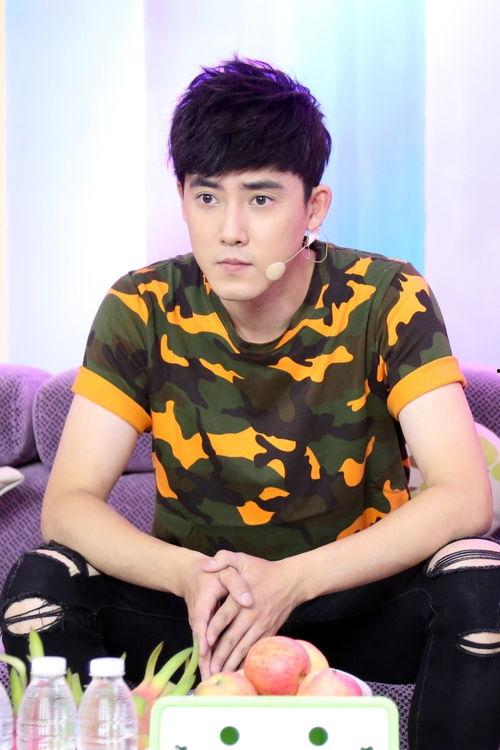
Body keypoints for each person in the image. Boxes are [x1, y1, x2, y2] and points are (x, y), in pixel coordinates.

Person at [1, 57, 499, 749]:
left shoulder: (386, 297)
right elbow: (69, 503)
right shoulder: (142, 306)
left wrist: (291, 582)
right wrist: (187, 576)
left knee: (480, 582)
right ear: (182, 197)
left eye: (261, 199)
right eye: (207, 197)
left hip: (355, 603)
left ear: (313, 207)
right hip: (199, 612)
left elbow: (464, 496)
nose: (230, 229)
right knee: (39, 583)